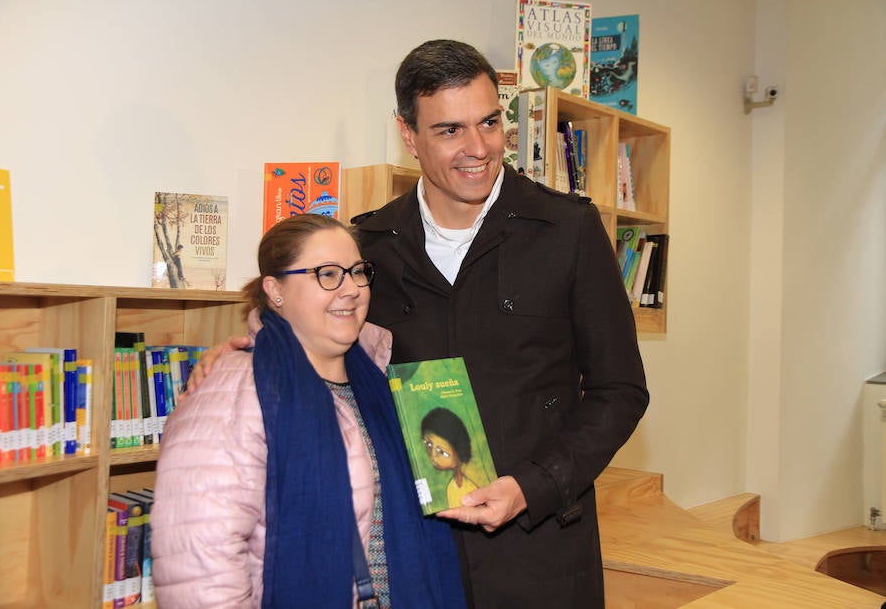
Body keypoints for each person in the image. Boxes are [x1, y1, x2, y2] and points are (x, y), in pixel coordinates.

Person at [191, 39, 649, 608]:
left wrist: (533, 487)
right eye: (449, 130)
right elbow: (315, 327)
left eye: (488, 122)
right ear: (408, 136)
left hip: (541, 550)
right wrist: (245, 350)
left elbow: (620, 391)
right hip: (414, 555)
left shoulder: (568, 230)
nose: (478, 148)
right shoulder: (371, 244)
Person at [151, 214, 464, 608]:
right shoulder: (236, 389)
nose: (350, 289)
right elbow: (199, 563)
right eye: (327, 274)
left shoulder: (383, 379)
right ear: (275, 290)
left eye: (357, 272)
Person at [420, 407, 480, 507]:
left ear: (459, 451)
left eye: (442, 452)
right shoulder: (452, 487)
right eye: (429, 445)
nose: (433, 457)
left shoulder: (471, 488)